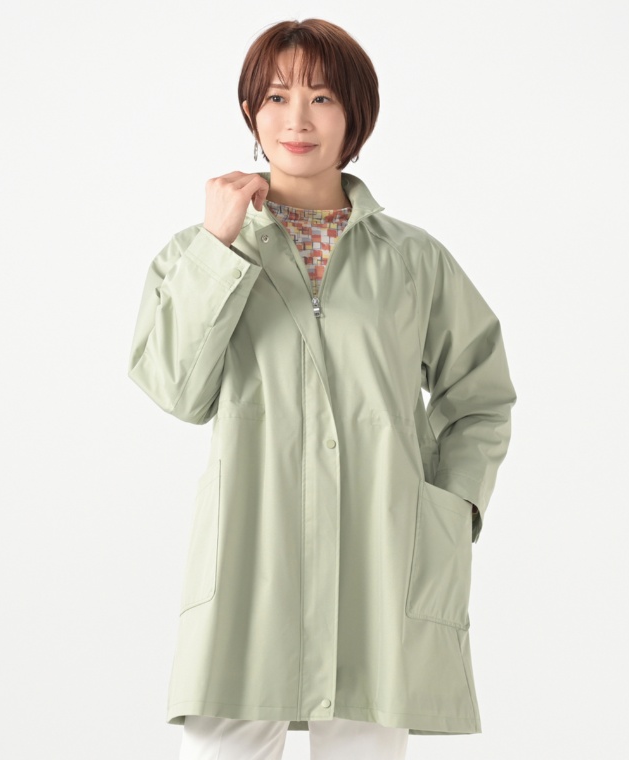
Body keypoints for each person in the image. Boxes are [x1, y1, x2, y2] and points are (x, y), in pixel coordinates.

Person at [127, 17, 516, 760]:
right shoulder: (199, 250)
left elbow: (480, 393)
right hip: (250, 556)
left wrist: (450, 506)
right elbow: (177, 389)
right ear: (251, 112)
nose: (297, 119)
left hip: (382, 556)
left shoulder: (413, 259)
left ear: (355, 114)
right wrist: (216, 245)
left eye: (322, 97)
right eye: (276, 97)